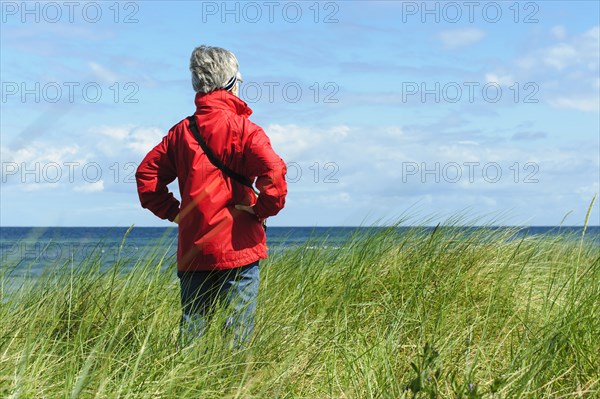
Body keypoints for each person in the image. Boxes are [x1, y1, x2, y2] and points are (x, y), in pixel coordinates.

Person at [135, 45, 287, 346]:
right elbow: (275, 173)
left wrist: (176, 214)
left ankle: (182, 387)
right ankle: (233, 390)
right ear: (231, 81)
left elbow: (146, 177)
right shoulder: (247, 130)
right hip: (238, 246)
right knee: (237, 336)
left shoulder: (181, 132)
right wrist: (260, 211)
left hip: (195, 248)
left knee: (192, 332)